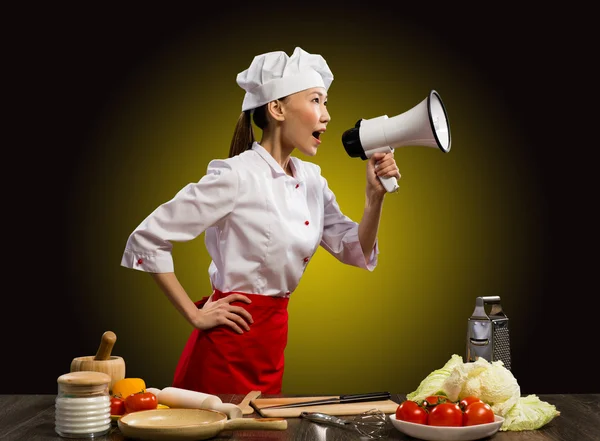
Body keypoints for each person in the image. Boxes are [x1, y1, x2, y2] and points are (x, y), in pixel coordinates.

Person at [120, 47, 400, 395]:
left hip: (270, 348)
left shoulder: (312, 179)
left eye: (326, 102)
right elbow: (146, 238)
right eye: (316, 101)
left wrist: (374, 198)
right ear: (277, 108)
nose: (326, 115)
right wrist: (196, 316)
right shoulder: (236, 176)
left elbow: (356, 250)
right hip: (223, 353)